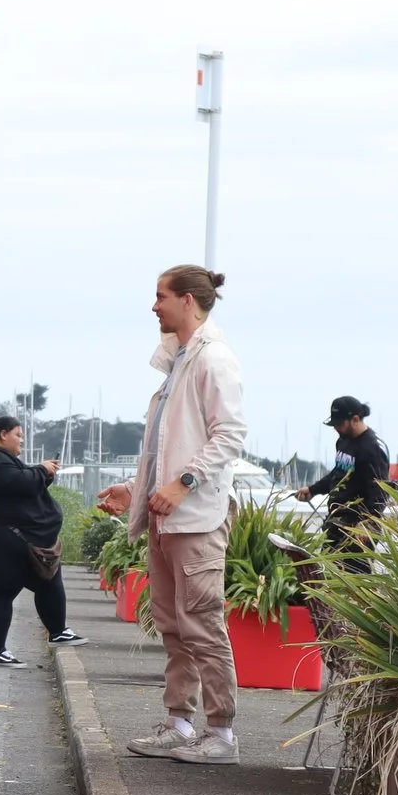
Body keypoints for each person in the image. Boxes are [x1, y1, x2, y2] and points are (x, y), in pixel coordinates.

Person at [98, 265, 247, 766]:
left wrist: (183, 485)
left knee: (201, 623)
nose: (153, 306)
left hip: (197, 518)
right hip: (170, 518)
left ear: (186, 300)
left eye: (160, 296)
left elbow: (230, 434)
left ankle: (221, 733)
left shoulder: (213, 359)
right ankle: (180, 723)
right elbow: (165, 449)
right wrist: (138, 489)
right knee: (174, 624)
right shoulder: (180, 362)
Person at [0, 414, 86, 667]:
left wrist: (42, 473)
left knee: (47, 580)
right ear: (3, 434)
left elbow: (19, 488)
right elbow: (18, 483)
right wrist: (41, 470)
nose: (22, 442)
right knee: (1, 591)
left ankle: (57, 631)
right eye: (18, 435)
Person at [296, 396, 391, 557]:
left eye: (339, 424)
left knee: (354, 575)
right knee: (327, 572)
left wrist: (368, 524)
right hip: (336, 521)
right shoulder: (343, 441)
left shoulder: (372, 448)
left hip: (358, 526)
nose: (336, 428)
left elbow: (380, 492)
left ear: (355, 419)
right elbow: (338, 474)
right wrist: (312, 490)